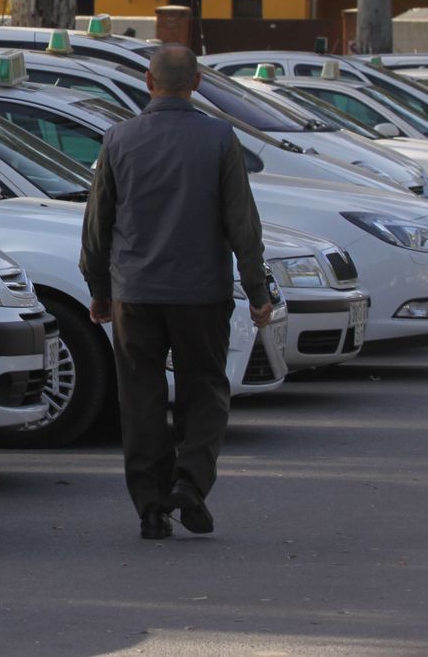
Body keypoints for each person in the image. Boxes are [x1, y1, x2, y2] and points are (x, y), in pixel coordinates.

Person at [80, 44, 273, 540]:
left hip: (135, 293)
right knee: (204, 389)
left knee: (140, 396)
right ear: (197, 84)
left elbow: (97, 225)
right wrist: (257, 290)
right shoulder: (219, 138)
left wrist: (99, 289)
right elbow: (242, 223)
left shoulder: (118, 139)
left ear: (149, 82)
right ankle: (190, 482)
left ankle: (150, 507)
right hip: (202, 293)